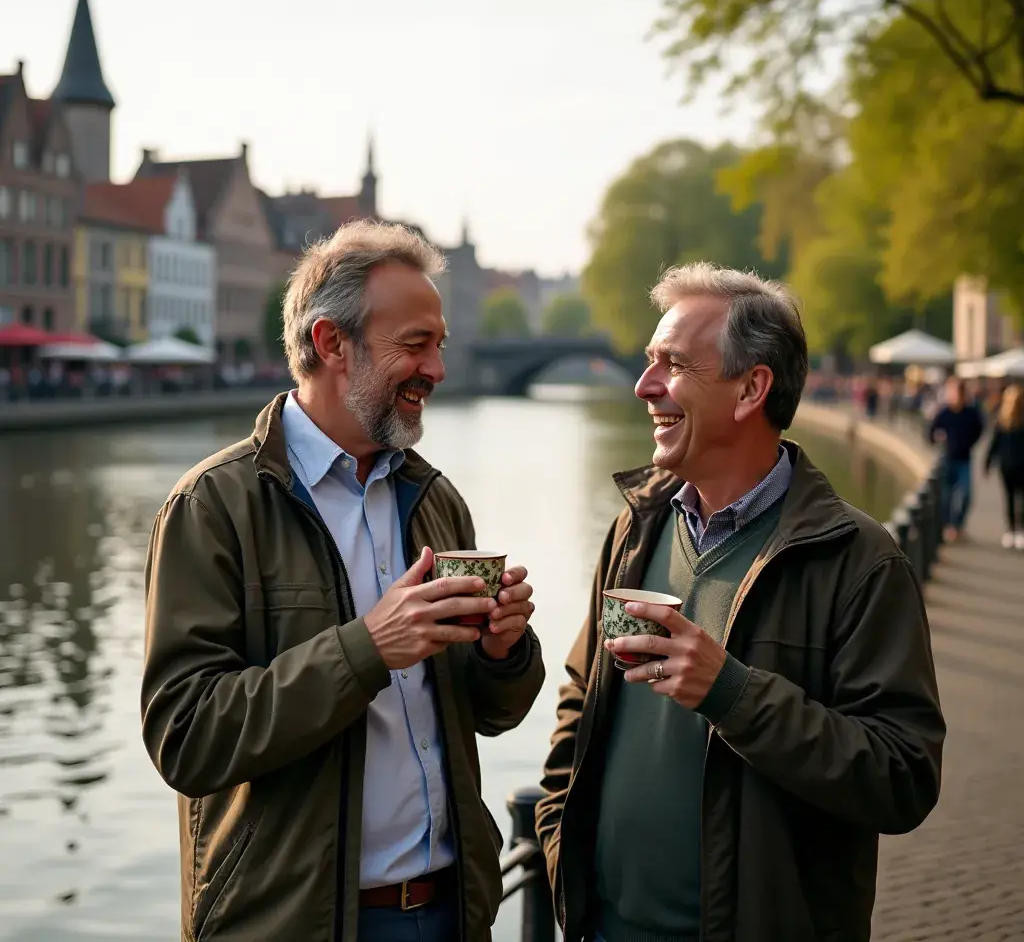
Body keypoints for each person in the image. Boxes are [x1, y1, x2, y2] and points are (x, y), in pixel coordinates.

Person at [141, 220, 544, 942]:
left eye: (439, 345)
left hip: (453, 911)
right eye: (414, 345)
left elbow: (491, 714)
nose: (438, 369)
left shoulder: (435, 498)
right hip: (298, 923)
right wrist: (366, 649)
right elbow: (186, 738)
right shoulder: (214, 506)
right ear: (331, 344)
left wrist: (502, 651)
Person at [534, 262, 945, 942]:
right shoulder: (636, 526)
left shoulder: (860, 560)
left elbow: (902, 777)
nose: (643, 386)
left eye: (672, 364)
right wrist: (556, 846)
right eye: (648, 362)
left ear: (752, 387)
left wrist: (731, 693)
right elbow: (583, 692)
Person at [928, 375, 984, 542]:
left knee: (966, 494)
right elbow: (931, 431)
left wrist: (969, 443)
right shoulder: (944, 413)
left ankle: (957, 525)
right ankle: (948, 527)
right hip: (947, 459)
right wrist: (937, 439)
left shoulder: (971, 413)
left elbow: (980, 429)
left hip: (964, 459)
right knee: (946, 496)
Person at [985, 383, 1024, 550]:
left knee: (1019, 499)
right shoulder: (1001, 421)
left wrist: (987, 463)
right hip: (1008, 466)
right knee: (1011, 498)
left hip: (1019, 466)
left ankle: (1018, 530)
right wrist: (987, 463)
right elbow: (994, 444)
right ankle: (1012, 530)